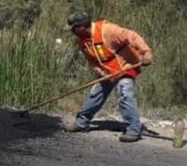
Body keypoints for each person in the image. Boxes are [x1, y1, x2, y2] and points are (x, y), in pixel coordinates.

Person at [63, 12, 153, 142]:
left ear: (81, 27)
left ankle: (134, 130)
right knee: (96, 93)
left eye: (73, 28)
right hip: (108, 71)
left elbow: (131, 35)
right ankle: (81, 123)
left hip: (126, 66)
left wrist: (146, 52)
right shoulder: (82, 41)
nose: (72, 31)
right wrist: (102, 73)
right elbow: (91, 61)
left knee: (125, 91)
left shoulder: (108, 30)